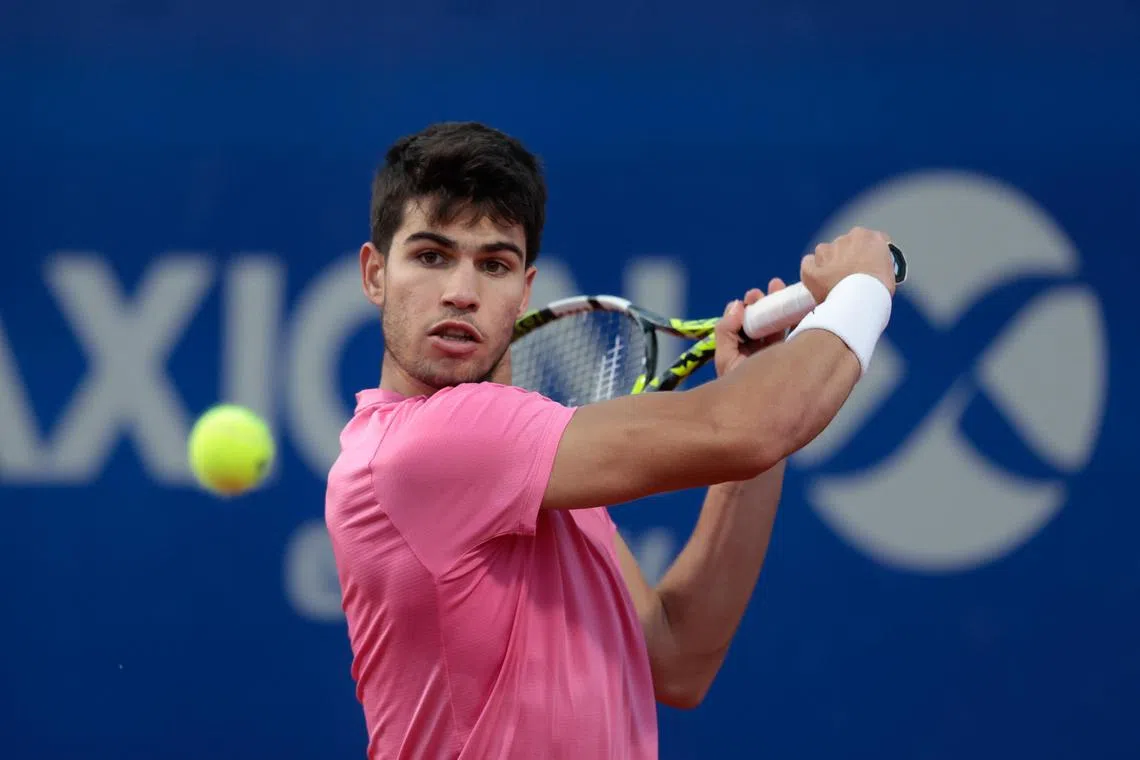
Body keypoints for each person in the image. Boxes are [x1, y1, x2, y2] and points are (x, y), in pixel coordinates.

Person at [325, 121, 898, 759]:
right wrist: (864, 288)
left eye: (494, 265)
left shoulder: (536, 475)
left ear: (525, 290)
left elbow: (679, 658)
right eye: (431, 256)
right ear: (374, 274)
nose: (461, 292)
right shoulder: (428, 446)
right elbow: (743, 428)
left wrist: (758, 399)